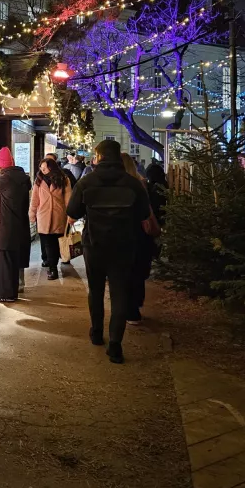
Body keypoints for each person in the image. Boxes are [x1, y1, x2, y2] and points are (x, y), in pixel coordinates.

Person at [66, 140, 150, 364]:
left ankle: (96, 333)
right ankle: (115, 345)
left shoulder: (87, 182)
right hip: (124, 246)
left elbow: (72, 210)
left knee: (95, 290)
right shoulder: (133, 184)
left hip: (94, 245)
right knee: (120, 293)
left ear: (99, 156)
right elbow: (143, 214)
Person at [0, 147, 32, 302]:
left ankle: (6, 295)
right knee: (11, 262)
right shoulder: (22, 178)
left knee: (3, 264)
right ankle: (12, 292)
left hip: (5, 228)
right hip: (18, 227)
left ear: (0, 166)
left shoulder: (5, 179)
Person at [122, 154, 157, 325]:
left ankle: (130, 308)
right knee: (138, 269)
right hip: (141, 233)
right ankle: (135, 305)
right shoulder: (141, 182)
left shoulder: (125, 185)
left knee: (127, 271)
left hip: (127, 232)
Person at [30, 158, 71, 280]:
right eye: (41, 168)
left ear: (51, 167)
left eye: (45, 167)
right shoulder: (39, 181)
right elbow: (34, 199)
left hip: (58, 216)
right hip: (43, 216)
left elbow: (68, 199)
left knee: (56, 243)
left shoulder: (64, 180)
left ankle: (53, 265)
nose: (42, 170)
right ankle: (53, 269)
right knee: (48, 244)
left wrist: (71, 215)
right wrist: (32, 213)